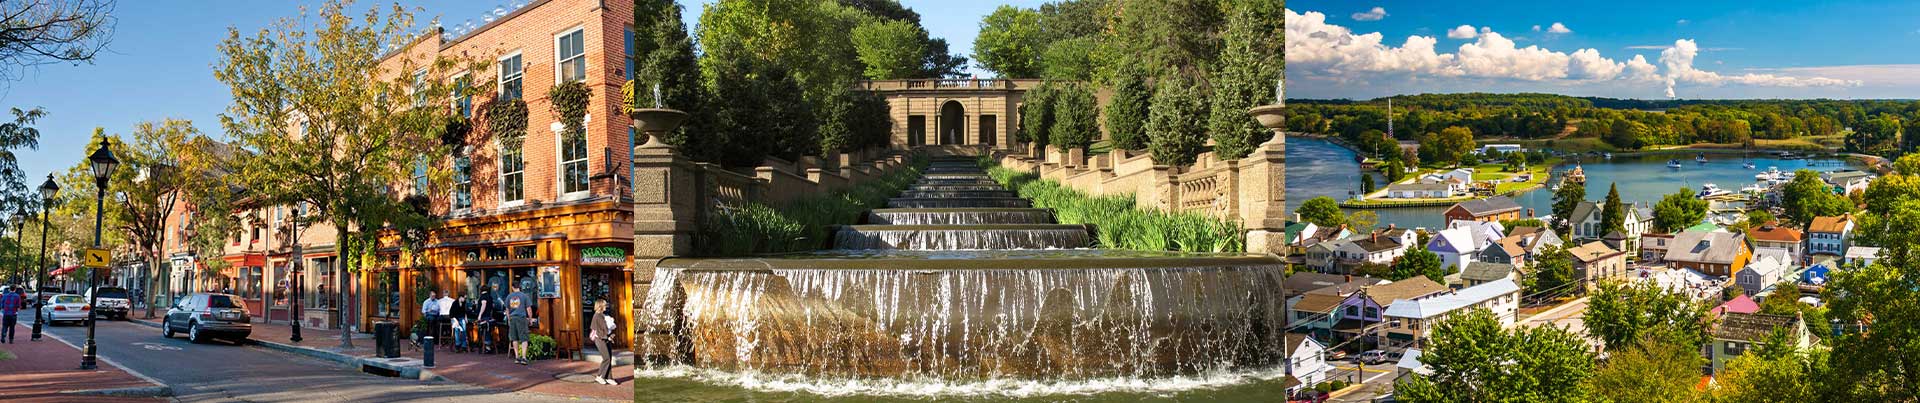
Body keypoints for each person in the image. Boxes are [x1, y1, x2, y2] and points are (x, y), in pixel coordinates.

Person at [589, 299, 618, 385]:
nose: (606, 306)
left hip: (605, 339)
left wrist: (609, 335)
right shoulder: (597, 316)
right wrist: (607, 337)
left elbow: (605, 328)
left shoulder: (601, 315)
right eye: (605, 305)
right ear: (600, 306)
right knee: (606, 358)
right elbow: (598, 331)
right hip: (600, 340)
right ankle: (600, 376)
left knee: (609, 358)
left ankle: (609, 378)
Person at [506, 281, 533, 365]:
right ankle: (524, 357)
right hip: (521, 318)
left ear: (512, 287)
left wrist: (509, 318)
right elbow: (529, 309)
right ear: (520, 287)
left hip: (512, 318)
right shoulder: (524, 296)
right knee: (524, 338)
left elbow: (507, 310)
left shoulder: (509, 296)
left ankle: (517, 357)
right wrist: (530, 319)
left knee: (514, 338)